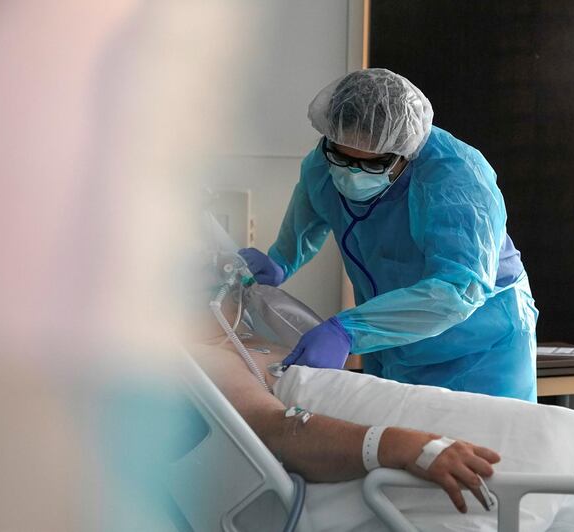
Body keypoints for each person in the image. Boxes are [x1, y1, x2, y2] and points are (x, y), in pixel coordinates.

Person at [240, 68, 538, 400]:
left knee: (480, 445)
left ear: (405, 153)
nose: (352, 173)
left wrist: (348, 331)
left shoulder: (457, 177)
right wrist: (280, 261)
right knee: (400, 444)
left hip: (479, 347)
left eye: (373, 164)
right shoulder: (323, 164)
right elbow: (308, 218)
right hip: (389, 342)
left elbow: (458, 289)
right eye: (341, 157)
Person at [187, 294, 500, 514]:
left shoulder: (248, 339)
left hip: (451, 437)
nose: (228, 285)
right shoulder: (205, 358)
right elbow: (275, 428)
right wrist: (400, 444)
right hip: (426, 450)